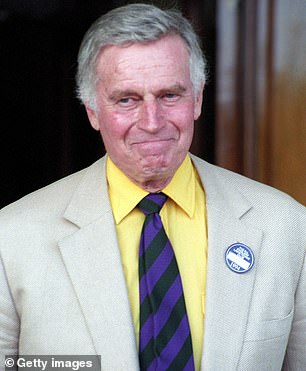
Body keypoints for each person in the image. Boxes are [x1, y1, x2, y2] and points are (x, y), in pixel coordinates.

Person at [0, 3, 305, 371]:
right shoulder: (12, 238)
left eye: (169, 95)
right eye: (126, 99)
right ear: (92, 111)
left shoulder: (286, 226)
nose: (151, 121)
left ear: (198, 98)